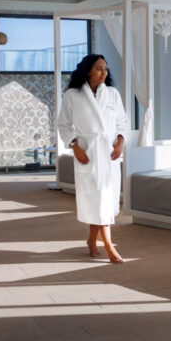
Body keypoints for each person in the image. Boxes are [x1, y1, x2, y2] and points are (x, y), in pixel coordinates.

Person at [57, 54, 128, 263]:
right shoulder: (73, 95)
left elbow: (122, 121)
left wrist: (120, 142)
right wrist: (74, 146)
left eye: (106, 69)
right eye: (99, 68)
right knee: (97, 200)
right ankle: (108, 246)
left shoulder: (113, 94)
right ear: (88, 70)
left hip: (109, 154)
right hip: (88, 153)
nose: (104, 73)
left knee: (103, 200)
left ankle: (91, 240)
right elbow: (63, 125)